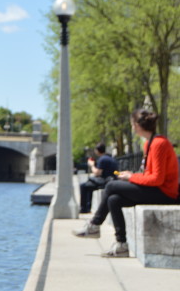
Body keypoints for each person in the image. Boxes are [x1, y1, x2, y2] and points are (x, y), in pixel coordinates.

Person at [73, 109, 179, 257]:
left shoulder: (159, 144)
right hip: (156, 190)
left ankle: (94, 225)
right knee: (113, 199)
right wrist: (133, 175)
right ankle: (121, 244)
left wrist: (131, 177)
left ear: (138, 125)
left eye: (132, 124)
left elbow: (157, 179)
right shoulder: (149, 144)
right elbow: (149, 175)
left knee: (111, 186)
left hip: (166, 193)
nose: (132, 127)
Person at [79, 142, 118, 213]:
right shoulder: (111, 158)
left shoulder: (102, 159)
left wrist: (91, 165)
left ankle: (84, 208)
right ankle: (87, 207)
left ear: (97, 150)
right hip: (111, 180)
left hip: (105, 181)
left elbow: (97, 173)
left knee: (83, 186)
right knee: (89, 185)